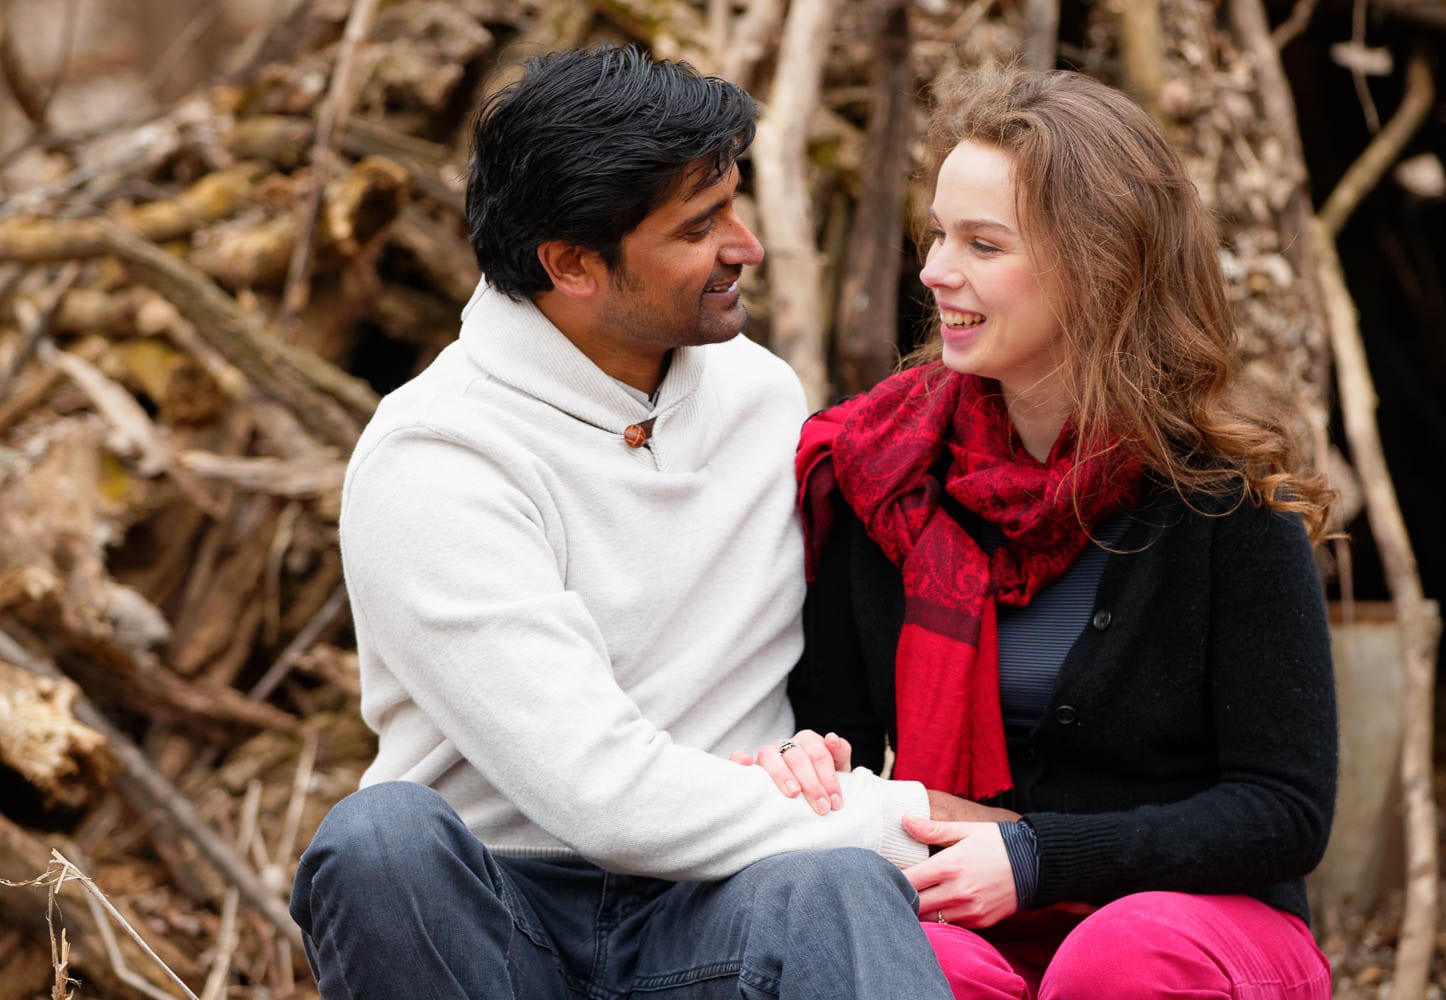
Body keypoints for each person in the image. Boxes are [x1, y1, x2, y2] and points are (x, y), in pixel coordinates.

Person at [288, 46, 958, 1000]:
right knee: (378, 841)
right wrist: (921, 819)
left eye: (733, 202)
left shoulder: (761, 396)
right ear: (570, 264)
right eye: (700, 227)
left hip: (722, 897)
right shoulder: (435, 457)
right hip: (498, 914)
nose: (747, 245)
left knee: (838, 891)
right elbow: (605, 795)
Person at [756, 65, 1339, 999]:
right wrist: (812, 761)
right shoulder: (885, 478)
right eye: (938, 234)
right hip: (963, 910)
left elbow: (1283, 811)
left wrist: (1038, 857)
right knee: (889, 949)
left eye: (982, 244)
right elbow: (842, 741)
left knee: (1124, 958)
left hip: (1190, 923)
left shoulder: (1222, 503)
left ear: (1101, 266)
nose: (936, 270)